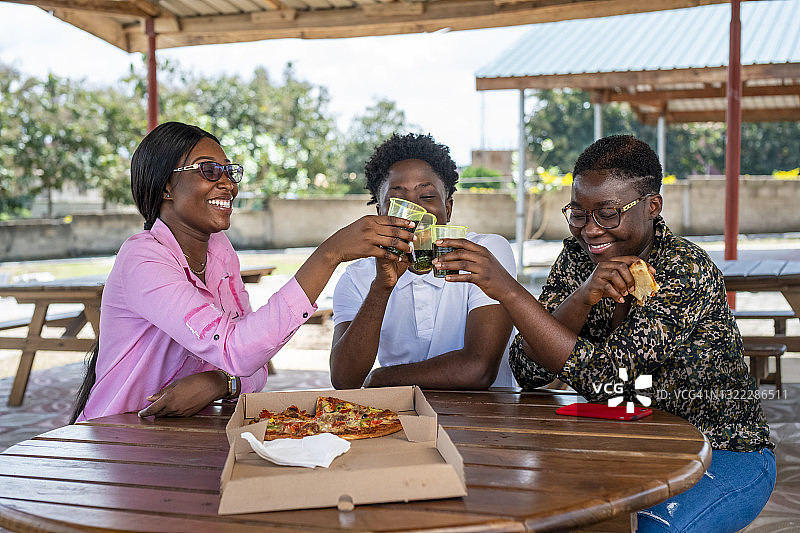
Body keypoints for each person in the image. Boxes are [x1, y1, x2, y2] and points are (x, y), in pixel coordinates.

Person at [433, 135, 775, 532]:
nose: (591, 230)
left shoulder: (684, 268)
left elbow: (610, 380)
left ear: (652, 206)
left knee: (653, 529)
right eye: (578, 213)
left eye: (607, 213)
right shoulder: (578, 259)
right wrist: (581, 298)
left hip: (725, 450)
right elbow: (528, 371)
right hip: (626, 444)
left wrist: (508, 291)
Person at [71, 121, 415, 423]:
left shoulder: (219, 251)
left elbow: (254, 365)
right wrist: (328, 254)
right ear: (166, 187)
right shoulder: (143, 258)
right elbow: (238, 351)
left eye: (229, 171)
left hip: (183, 434)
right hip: (117, 436)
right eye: (208, 170)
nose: (228, 184)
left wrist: (220, 383)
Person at [330, 132, 517, 390]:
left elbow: (478, 370)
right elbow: (345, 380)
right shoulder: (356, 278)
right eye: (398, 200)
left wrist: (380, 378)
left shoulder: (485, 253)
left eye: (427, 197)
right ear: (380, 213)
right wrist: (382, 287)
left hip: (484, 420)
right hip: (399, 419)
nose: (414, 212)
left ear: (447, 209)